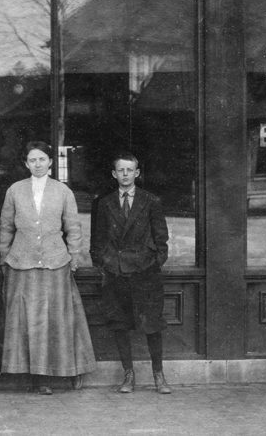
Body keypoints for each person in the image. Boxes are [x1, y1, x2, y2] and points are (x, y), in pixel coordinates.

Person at [0, 140, 95, 394]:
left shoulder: (63, 191)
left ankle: (63, 372)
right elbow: (5, 227)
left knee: (57, 320)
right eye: (32, 160)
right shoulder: (15, 190)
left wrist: (74, 256)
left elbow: (73, 227)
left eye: (42, 159)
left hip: (55, 263)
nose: (37, 164)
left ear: (50, 161)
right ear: (26, 163)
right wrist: (4, 257)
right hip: (21, 264)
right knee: (26, 320)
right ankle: (33, 376)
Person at [90, 152, 172, 394]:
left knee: (152, 326)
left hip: (145, 275)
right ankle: (128, 375)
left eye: (130, 170)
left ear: (137, 173)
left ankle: (159, 375)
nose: (125, 175)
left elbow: (162, 240)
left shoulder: (151, 201)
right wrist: (105, 264)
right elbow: (97, 241)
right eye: (120, 170)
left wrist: (152, 263)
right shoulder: (104, 204)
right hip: (116, 274)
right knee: (120, 325)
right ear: (114, 174)